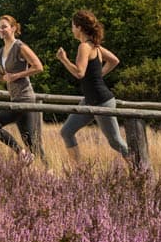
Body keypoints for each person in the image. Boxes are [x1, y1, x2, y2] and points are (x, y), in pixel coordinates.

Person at [55, 9, 130, 168]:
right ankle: (79, 172)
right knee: (66, 132)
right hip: (90, 101)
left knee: (115, 141)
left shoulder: (84, 47)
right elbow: (114, 60)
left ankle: (140, 170)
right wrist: (99, 75)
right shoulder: (95, 46)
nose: (72, 30)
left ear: (79, 27)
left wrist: (64, 60)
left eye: (73, 26)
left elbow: (79, 73)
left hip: (102, 102)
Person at [0, 15, 46, 166]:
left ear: (13, 28)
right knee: (32, 143)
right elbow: (3, 77)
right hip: (15, 98)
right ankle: (49, 171)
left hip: (25, 98)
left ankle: (21, 153)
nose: (1, 30)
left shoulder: (20, 47)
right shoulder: (2, 51)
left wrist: (17, 75)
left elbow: (38, 67)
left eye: (4, 27)